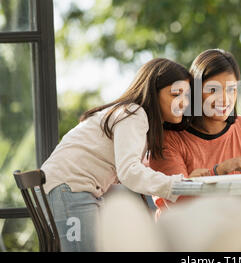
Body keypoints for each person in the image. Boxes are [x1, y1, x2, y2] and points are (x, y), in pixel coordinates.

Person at [38, 58, 193, 251]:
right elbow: (129, 171)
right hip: (68, 188)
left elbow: (124, 169)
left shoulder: (129, 114)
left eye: (187, 96)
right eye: (176, 94)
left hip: (66, 188)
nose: (184, 102)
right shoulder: (134, 114)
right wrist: (175, 185)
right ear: (153, 91)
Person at [147, 49, 241, 215]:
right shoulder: (168, 139)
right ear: (194, 91)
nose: (225, 99)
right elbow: (180, 203)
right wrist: (219, 171)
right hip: (184, 233)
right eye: (213, 90)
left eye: (231, 89)